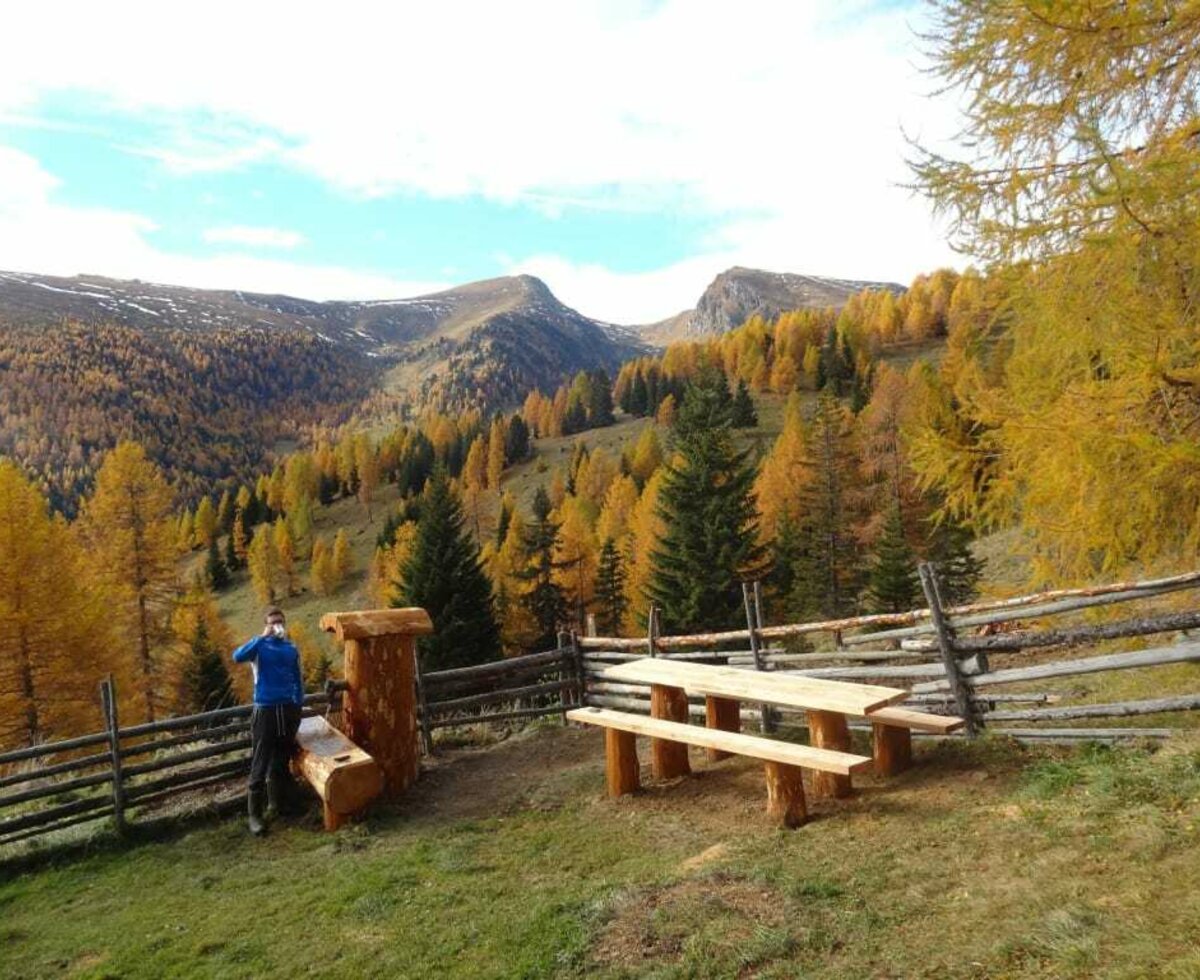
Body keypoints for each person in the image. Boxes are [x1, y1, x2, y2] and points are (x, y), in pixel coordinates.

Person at [232, 607, 304, 836]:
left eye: (280, 622)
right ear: (266, 625)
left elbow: (297, 678)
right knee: (260, 761)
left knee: (281, 760)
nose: (277, 625)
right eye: (273, 622)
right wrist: (262, 637)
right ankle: (254, 816)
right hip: (265, 710)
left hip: (287, 710)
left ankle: (277, 805)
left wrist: (298, 705)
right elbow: (237, 656)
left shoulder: (291, 648)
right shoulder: (259, 647)